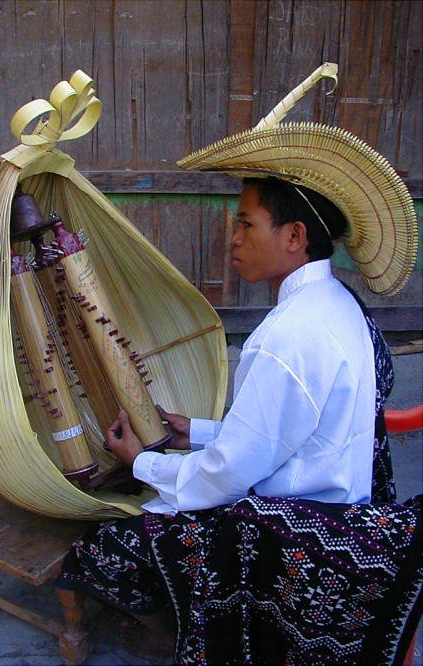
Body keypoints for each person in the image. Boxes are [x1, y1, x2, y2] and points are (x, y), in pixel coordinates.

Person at [56, 66, 418, 661]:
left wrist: (144, 461)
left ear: (295, 236)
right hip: (337, 497)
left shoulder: (287, 337)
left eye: (246, 224)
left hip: (294, 529)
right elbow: (283, 436)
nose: (234, 239)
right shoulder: (336, 304)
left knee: (109, 547)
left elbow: (230, 475)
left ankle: (173, 629)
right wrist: (190, 431)